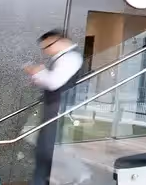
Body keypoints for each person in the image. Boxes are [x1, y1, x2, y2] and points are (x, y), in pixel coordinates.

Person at [25, 30, 87, 185]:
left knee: (47, 150)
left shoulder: (71, 58)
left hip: (59, 109)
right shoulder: (63, 57)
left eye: (47, 47)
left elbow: (54, 82)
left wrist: (39, 72)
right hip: (54, 108)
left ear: (59, 41)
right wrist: (39, 76)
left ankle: (80, 174)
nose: (45, 51)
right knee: (45, 150)